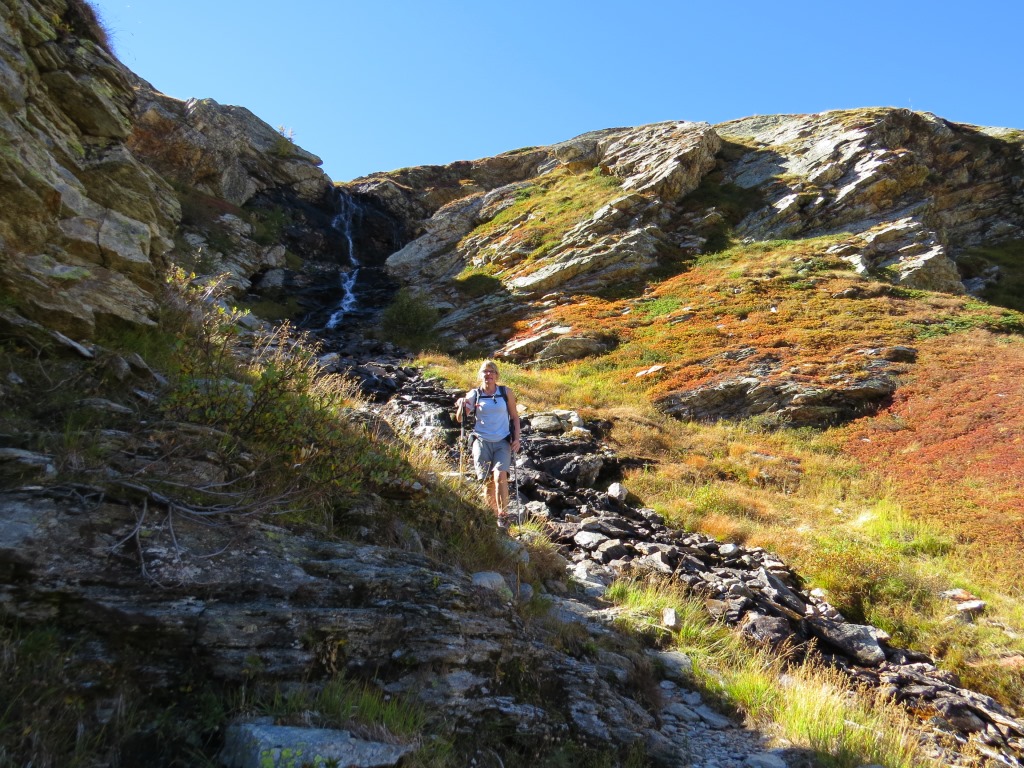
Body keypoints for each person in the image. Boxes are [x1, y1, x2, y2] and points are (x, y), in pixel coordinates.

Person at [455, 360, 521, 525]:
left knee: (500, 476)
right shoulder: (474, 394)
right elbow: (460, 418)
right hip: (481, 441)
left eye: (491, 371)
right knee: (486, 482)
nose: (488, 374)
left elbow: (514, 417)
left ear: (496, 375)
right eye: (485, 371)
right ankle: (490, 517)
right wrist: (462, 405)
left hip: (502, 441)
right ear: (480, 374)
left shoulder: (506, 392)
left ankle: (503, 516)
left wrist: (517, 438)